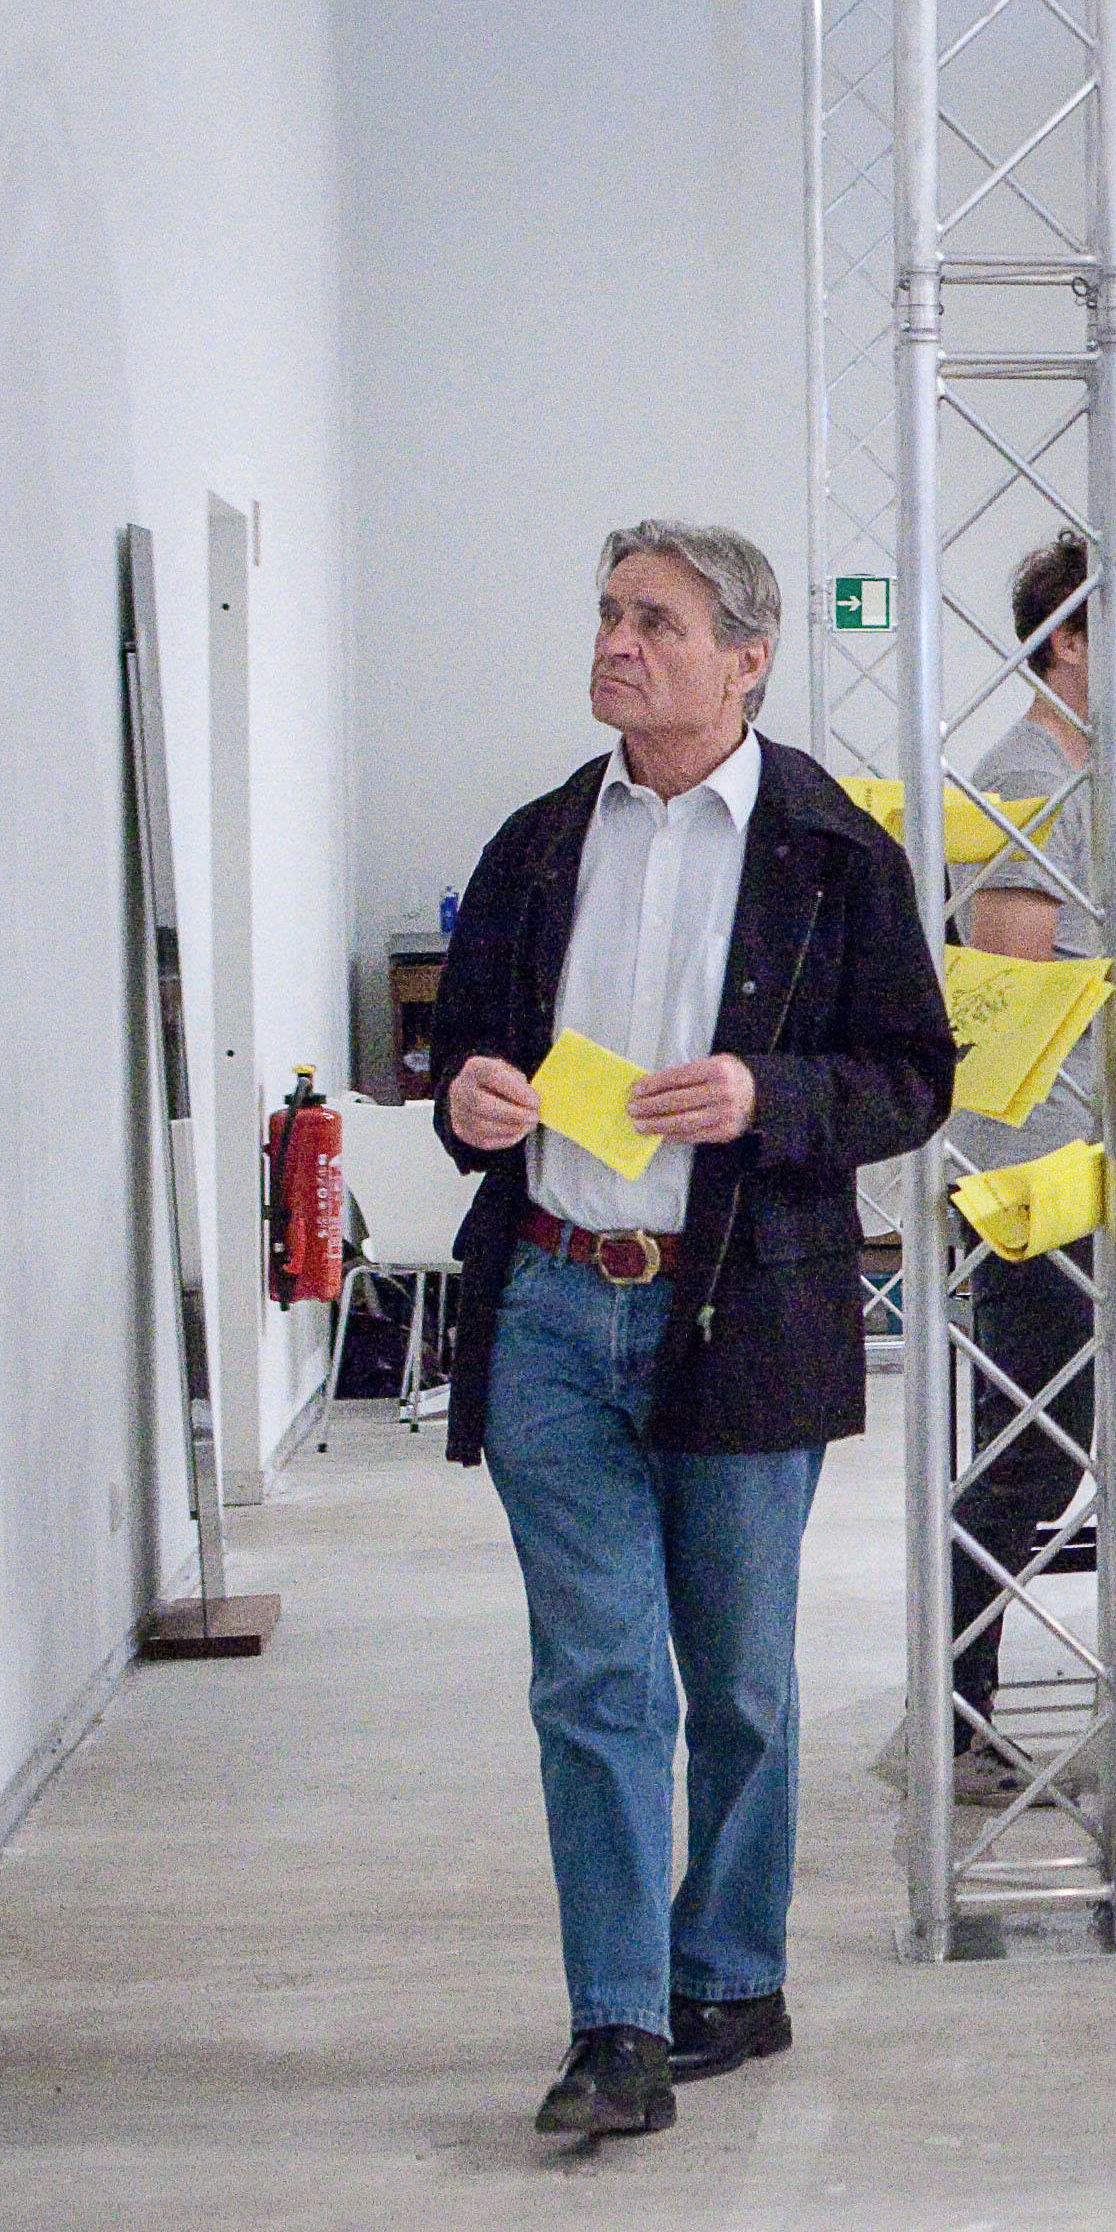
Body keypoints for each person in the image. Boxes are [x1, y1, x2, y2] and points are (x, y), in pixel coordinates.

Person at [430, 526, 955, 2139]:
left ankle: (732, 1968)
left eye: (653, 621)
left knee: (738, 1680)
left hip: (741, 1308)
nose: (615, 643)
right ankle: (619, 2023)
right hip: (552, 1303)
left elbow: (911, 1076)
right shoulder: (536, 844)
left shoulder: (828, 850)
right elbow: (460, 1059)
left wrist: (766, 1097)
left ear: (746, 659)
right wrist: (465, 1099)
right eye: (605, 614)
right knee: (596, 1676)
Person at [940, 529, 1116, 1796]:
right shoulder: (1026, 777)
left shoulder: (1086, 775)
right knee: (1038, 1446)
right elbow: (1011, 992)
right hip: (1045, 1174)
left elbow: (1083, 970)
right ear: (1071, 640)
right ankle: (953, 1714)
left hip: (1115, 1161)